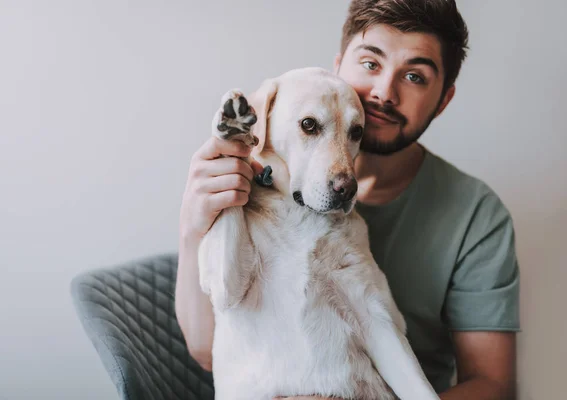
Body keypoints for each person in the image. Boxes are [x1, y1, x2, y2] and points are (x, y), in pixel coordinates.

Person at [175, 0, 520, 399]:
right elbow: (207, 349)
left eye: (414, 76)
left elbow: (493, 385)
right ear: (338, 66)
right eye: (371, 63)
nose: (384, 92)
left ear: (443, 99)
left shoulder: (476, 214)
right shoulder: (247, 183)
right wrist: (192, 226)